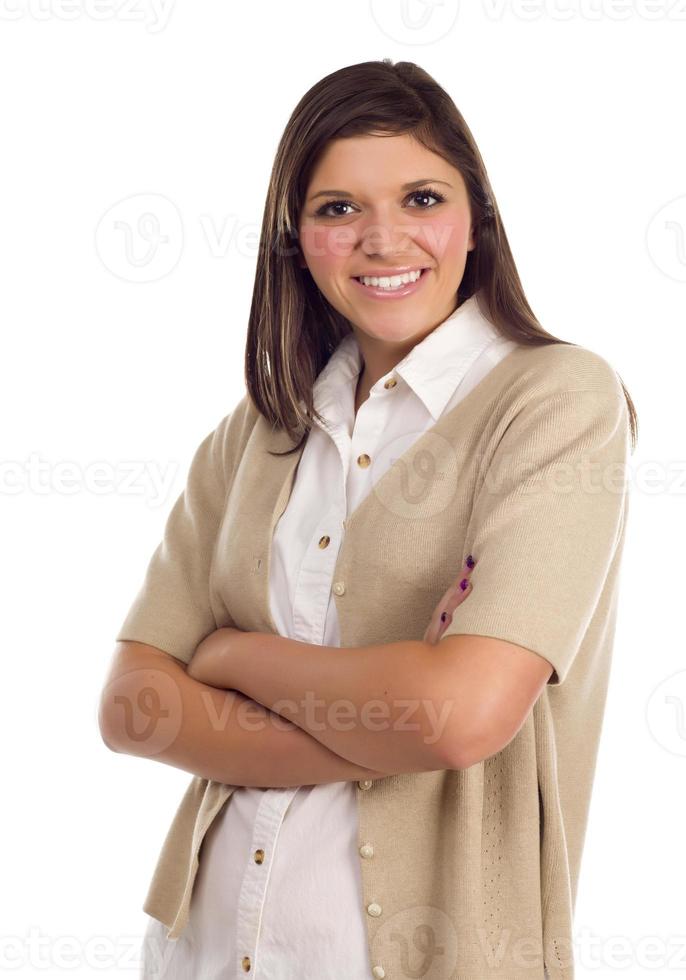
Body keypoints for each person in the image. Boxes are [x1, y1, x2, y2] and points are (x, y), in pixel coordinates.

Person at [99, 59, 637, 980]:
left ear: (479, 221)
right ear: (295, 239)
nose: (383, 240)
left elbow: (458, 714)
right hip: (205, 952)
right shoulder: (261, 428)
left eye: (422, 197)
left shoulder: (556, 402)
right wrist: (389, 713)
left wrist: (226, 661)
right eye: (338, 209)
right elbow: (132, 708)